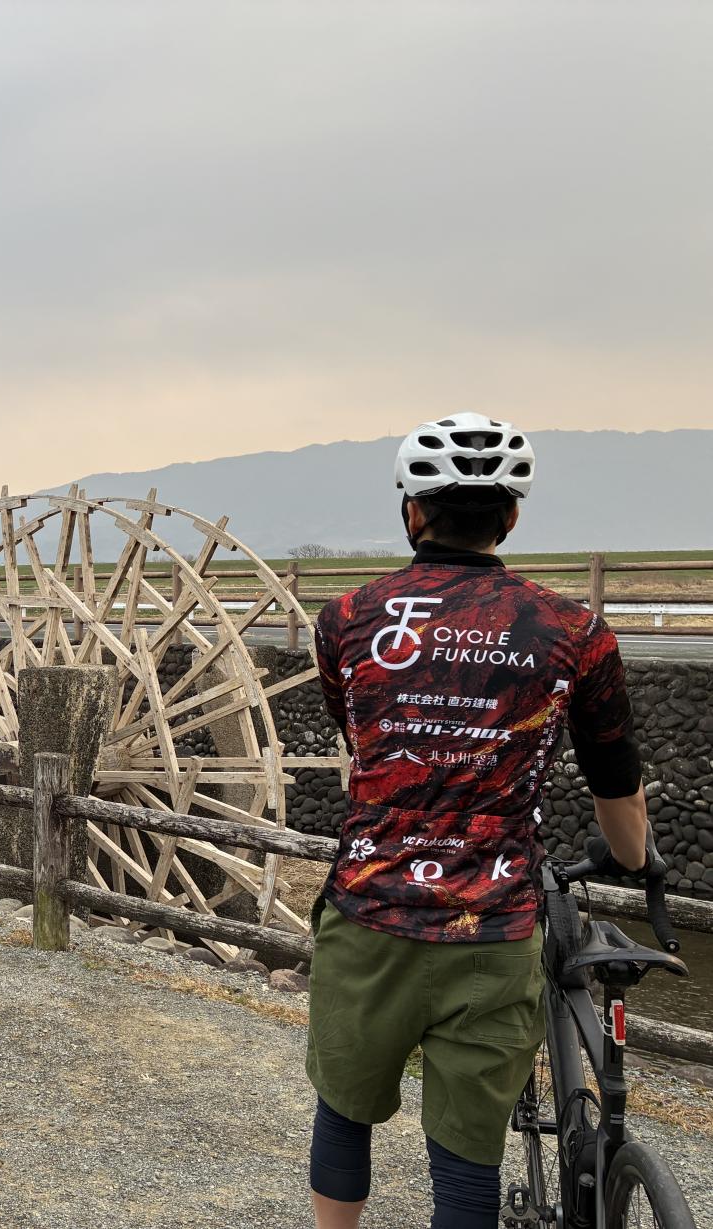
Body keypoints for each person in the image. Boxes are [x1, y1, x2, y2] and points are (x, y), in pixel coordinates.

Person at [305, 413, 651, 1229]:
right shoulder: (574, 632)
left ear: (411, 512)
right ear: (511, 516)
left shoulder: (347, 618)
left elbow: (360, 738)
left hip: (369, 915)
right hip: (493, 930)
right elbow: (617, 783)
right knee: (466, 1151)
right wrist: (633, 860)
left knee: (342, 1111)